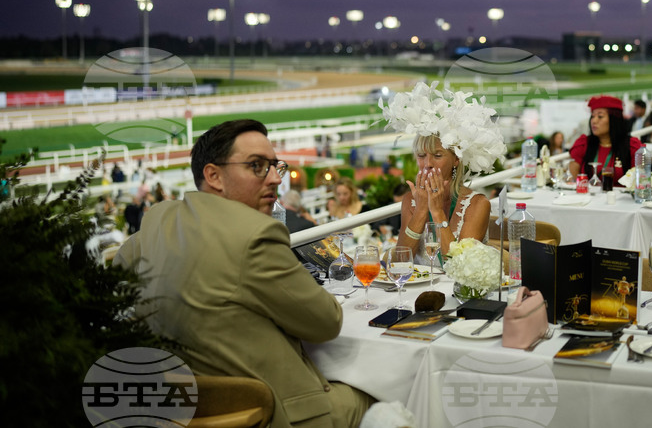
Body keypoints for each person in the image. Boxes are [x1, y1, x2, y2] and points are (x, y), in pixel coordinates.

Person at [114, 119, 374, 428]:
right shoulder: (256, 234)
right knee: (387, 386)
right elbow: (326, 322)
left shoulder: (157, 221)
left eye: (275, 165)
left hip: (182, 411)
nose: (276, 179)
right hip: (269, 413)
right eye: (257, 166)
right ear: (214, 176)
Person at [380, 83, 506, 263]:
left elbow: (459, 267)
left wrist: (437, 212)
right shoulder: (410, 201)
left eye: (437, 155)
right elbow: (399, 263)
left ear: (456, 159)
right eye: (421, 155)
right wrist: (421, 210)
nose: (427, 164)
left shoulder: (477, 205)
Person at [567, 96, 642, 183]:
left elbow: (639, 181)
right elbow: (572, 179)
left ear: (614, 119)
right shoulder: (583, 144)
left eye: (600, 116)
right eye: (592, 116)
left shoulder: (632, 146)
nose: (594, 121)